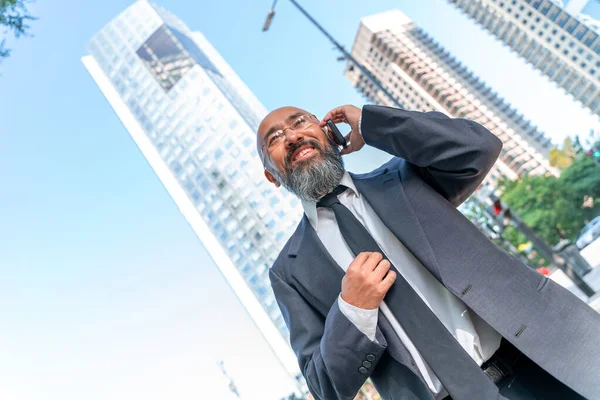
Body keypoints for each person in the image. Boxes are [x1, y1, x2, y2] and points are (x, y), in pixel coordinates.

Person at [256, 104, 600, 400]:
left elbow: (477, 147)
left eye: (301, 122)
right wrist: (352, 310)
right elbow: (325, 386)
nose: (291, 136)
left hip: (545, 358)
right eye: (274, 139)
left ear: (328, 131)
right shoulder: (288, 271)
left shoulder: (405, 177)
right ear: (271, 176)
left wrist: (371, 123)